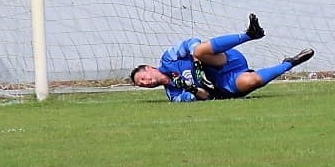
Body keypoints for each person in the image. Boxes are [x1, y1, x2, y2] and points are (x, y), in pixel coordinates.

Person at [129, 14, 314, 101]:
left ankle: (250, 34)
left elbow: (191, 42)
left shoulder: (168, 60)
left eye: (142, 78)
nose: (145, 83)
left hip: (223, 60)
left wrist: (196, 62)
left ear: (149, 67)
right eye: (142, 84)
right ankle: (290, 63)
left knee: (198, 51)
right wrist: (191, 88)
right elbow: (206, 97)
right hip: (224, 83)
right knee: (253, 80)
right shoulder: (174, 94)